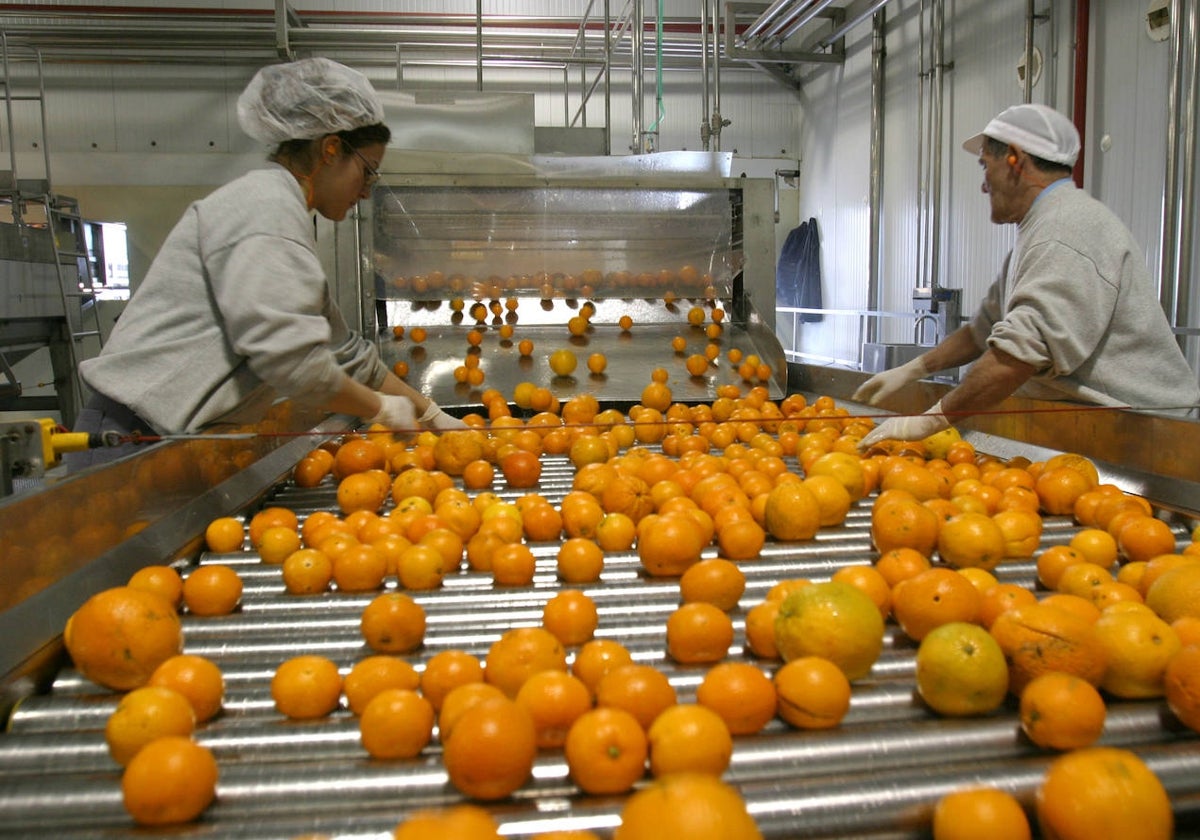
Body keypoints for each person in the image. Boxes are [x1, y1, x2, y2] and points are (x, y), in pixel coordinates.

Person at [71, 58, 464, 468]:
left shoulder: (279, 210)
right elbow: (295, 365)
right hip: (132, 437)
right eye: (368, 173)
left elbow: (345, 352)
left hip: (162, 436)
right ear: (331, 150)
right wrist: (379, 408)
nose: (366, 192)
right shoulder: (265, 210)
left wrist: (431, 414)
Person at [856, 103, 1200, 448]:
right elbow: (982, 330)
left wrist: (926, 423)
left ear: (1015, 160)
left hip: (1148, 441)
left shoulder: (1068, 229)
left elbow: (1016, 357)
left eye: (984, 166)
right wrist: (914, 369)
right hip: (1093, 431)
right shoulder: (1040, 231)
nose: (983, 186)